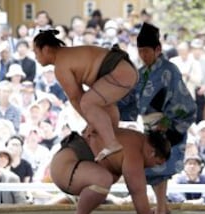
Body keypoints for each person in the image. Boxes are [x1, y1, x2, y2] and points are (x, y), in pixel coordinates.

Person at [121, 22, 196, 214]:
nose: (143, 56)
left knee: (159, 167)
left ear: (158, 49)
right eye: (140, 51)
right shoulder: (140, 73)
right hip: (148, 126)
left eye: (147, 51)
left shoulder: (170, 70)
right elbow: (130, 98)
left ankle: (161, 208)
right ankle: (163, 205)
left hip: (168, 125)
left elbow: (182, 100)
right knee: (154, 167)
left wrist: (168, 121)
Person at [33, 29, 138, 161]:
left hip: (119, 73)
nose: (35, 57)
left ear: (46, 49)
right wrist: (93, 122)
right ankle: (115, 140)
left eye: (36, 52)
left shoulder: (61, 65)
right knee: (102, 106)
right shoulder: (68, 55)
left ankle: (112, 143)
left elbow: (76, 98)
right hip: (123, 71)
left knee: (88, 103)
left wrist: (92, 122)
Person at [49, 128, 171, 214]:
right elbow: (137, 190)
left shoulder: (135, 138)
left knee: (109, 176)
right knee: (103, 179)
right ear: (152, 153)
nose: (153, 167)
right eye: (156, 163)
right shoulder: (135, 150)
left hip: (73, 165)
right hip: (68, 167)